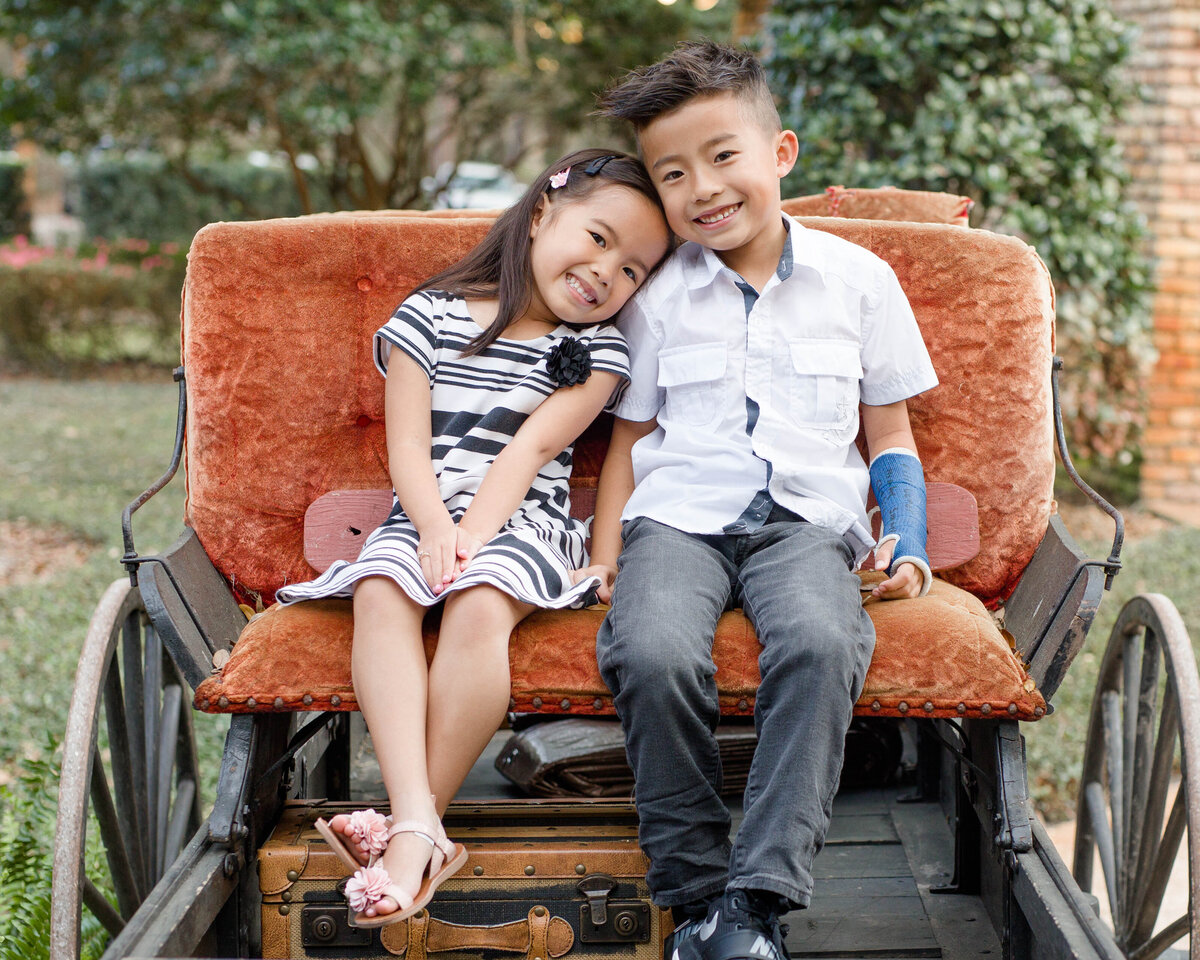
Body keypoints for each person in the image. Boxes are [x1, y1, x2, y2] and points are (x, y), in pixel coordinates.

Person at [577, 41, 940, 960]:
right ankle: (697, 891)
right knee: (651, 648)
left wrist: (904, 541)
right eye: (673, 173)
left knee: (821, 642)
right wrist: (608, 552)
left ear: (780, 153)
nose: (703, 187)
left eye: (722, 156)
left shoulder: (860, 283)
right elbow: (627, 441)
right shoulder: (657, 298)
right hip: (680, 524)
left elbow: (889, 436)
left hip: (807, 528)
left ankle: (759, 903)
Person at [275, 148, 672, 930]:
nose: (606, 273)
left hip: (525, 520)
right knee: (382, 589)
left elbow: (527, 453)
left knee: (481, 602)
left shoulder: (599, 353)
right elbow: (406, 450)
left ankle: (411, 830)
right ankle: (418, 820)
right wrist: (430, 528)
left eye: (631, 270)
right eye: (597, 238)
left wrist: (469, 542)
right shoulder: (427, 314)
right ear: (538, 216)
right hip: (422, 509)